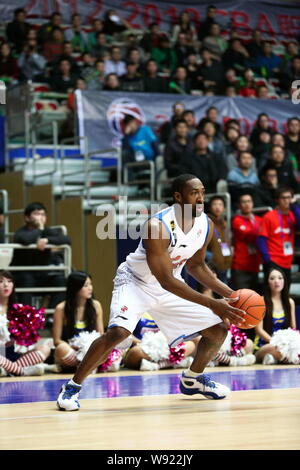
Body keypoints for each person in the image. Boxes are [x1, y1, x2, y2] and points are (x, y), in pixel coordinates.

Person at [56, 173, 247, 411]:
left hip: (169, 284)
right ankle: (73, 385)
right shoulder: (157, 226)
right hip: (136, 282)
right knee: (118, 333)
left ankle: (192, 379)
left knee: (217, 330)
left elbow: (196, 266)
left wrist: (232, 294)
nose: (200, 198)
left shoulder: (205, 224)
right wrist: (212, 303)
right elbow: (165, 280)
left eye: (202, 192)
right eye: (193, 193)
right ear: (178, 197)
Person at [10, 202, 71, 309]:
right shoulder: (21, 232)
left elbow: (66, 240)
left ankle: (51, 318)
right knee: (26, 280)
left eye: (43, 215)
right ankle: (26, 319)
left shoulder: (47, 231)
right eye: (37, 214)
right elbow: (25, 239)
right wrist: (40, 229)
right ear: (27, 218)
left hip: (42, 275)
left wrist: (47, 239)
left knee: (61, 281)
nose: (40, 217)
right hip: (22, 275)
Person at [0, 270, 54, 377]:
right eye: (1, 281)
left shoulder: (20, 309)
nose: (6, 285)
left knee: (45, 348)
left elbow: (26, 342)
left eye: (9, 281)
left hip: (16, 355)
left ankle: (9, 370)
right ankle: (23, 371)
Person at [52, 271, 104, 371]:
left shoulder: (96, 305)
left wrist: (89, 347)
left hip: (91, 350)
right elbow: (57, 341)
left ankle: (84, 365)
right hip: (72, 351)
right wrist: (74, 346)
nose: (90, 288)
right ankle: (86, 366)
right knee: (61, 349)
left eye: (90, 284)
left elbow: (101, 334)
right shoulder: (61, 308)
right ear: (75, 288)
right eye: (86, 285)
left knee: (114, 349)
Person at [124, 313, 197, 371]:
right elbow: (127, 336)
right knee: (135, 352)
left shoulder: (165, 311)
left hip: (165, 348)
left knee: (190, 345)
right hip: (143, 348)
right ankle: (173, 363)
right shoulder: (134, 311)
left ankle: (158, 365)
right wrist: (145, 343)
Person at [257, 186, 300, 285]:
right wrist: (267, 259)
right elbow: (261, 239)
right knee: (271, 294)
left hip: (287, 261)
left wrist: (294, 205)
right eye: (283, 198)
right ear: (277, 200)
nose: (286, 201)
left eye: (289, 198)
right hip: (273, 260)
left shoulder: (293, 216)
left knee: (285, 292)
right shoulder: (269, 216)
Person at [254, 268, 296, 364]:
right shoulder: (261, 301)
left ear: (285, 281)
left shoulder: (290, 302)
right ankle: (284, 358)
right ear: (267, 282)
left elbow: (293, 328)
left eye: (280, 278)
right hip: (265, 345)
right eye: (272, 278)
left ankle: (273, 359)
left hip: (284, 345)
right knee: (274, 348)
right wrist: (276, 342)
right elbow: (259, 330)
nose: (276, 281)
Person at [231, 193, 261, 295]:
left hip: (255, 265)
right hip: (240, 266)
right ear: (239, 205)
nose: (247, 204)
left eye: (249, 201)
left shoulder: (259, 220)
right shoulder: (237, 220)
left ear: (252, 203)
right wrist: (259, 232)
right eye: (244, 202)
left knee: (254, 301)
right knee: (242, 300)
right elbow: (250, 234)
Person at [206, 196, 232, 284]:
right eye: (214, 204)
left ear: (224, 208)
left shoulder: (225, 224)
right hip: (211, 266)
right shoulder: (206, 222)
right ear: (210, 207)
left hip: (224, 264)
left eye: (220, 205)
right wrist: (210, 258)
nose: (217, 207)